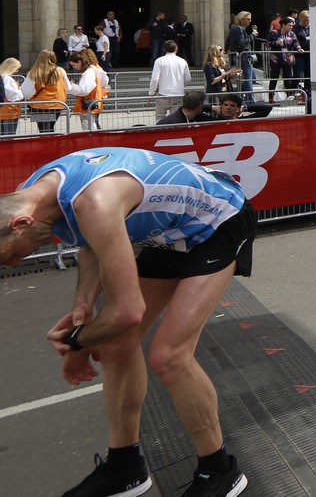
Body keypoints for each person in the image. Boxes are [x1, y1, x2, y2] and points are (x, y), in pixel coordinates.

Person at [0, 147, 255, 497]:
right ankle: (125, 468)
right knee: (115, 346)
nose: (15, 264)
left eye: (10, 255)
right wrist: (82, 308)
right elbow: (90, 240)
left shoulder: (96, 201)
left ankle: (220, 471)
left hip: (219, 221)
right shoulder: (34, 194)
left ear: (20, 223)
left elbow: (127, 311)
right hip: (169, 231)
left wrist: (76, 341)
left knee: (169, 356)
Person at [21, 49, 70, 133]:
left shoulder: (34, 72)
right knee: (50, 127)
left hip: (40, 105)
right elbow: (68, 88)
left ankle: (47, 140)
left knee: (43, 129)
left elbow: (26, 91)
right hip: (57, 104)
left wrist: (31, 98)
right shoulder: (61, 71)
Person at [67, 49, 111, 131]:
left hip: (87, 103)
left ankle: (92, 138)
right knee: (91, 125)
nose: (74, 67)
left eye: (74, 65)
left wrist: (71, 86)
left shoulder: (89, 72)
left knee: (89, 127)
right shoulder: (93, 70)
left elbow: (84, 90)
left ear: (80, 62)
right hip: (90, 102)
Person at [148, 40, 191, 120]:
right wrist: (180, 85)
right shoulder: (183, 61)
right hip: (178, 94)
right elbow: (188, 79)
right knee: (176, 119)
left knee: (160, 117)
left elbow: (155, 79)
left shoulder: (159, 61)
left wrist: (151, 93)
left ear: (164, 49)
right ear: (176, 49)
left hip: (163, 94)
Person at [226, 12, 257, 107]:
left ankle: (236, 96)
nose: (250, 21)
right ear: (241, 19)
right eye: (248, 19)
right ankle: (250, 102)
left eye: (250, 19)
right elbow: (241, 43)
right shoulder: (237, 28)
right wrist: (252, 35)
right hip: (243, 56)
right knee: (248, 79)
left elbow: (228, 41)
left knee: (250, 78)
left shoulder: (237, 28)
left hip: (243, 56)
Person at [265, 18, 297, 102]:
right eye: (289, 25)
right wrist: (276, 42)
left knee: (287, 78)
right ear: (283, 25)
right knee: (274, 77)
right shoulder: (274, 32)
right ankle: (271, 98)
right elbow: (267, 43)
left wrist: (299, 48)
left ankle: (289, 97)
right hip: (275, 58)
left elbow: (296, 42)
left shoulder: (292, 33)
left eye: (292, 26)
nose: (291, 27)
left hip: (287, 58)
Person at [292, 11, 312, 108]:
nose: (306, 22)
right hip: (299, 55)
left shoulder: (312, 27)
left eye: (308, 20)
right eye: (304, 20)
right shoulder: (295, 28)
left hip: (310, 55)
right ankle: (293, 93)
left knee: (309, 74)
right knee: (298, 74)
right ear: (300, 20)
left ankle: (308, 93)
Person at [1, 56, 23, 136]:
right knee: (9, 137)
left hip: (3, 111)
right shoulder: (7, 79)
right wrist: (20, 90)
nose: (17, 71)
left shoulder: (2, 77)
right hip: (10, 111)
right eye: (17, 69)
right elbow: (13, 96)